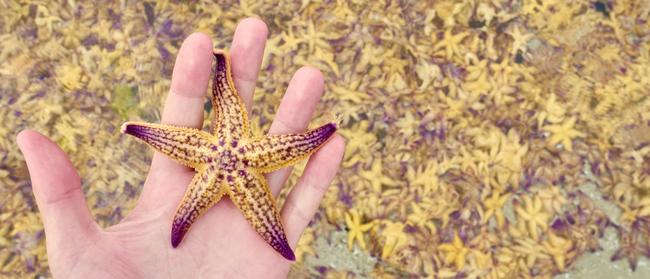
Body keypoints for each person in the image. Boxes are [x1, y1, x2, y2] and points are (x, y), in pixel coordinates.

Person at [16, 17, 345, 278]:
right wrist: (138, 129)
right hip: (229, 166)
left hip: (219, 165)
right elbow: (180, 145)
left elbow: (289, 142)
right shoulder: (232, 161)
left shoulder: (218, 157)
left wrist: (318, 135)